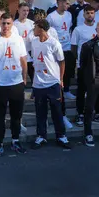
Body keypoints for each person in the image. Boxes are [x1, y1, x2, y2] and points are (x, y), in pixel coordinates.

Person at [0, 13, 28, 158]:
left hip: (16, 83)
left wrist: (24, 78)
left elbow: (23, 60)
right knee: (0, 116)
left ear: (12, 24)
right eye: (3, 23)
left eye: (8, 23)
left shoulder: (18, 39)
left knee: (16, 115)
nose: (6, 26)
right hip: (0, 84)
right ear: (0, 23)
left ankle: (16, 140)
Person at [30, 19, 70, 150]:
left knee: (57, 111)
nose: (33, 29)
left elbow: (62, 61)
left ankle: (61, 136)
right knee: (40, 112)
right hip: (38, 84)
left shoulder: (54, 43)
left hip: (53, 83)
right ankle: (41, 136)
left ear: (41, 28)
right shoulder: (34, 42)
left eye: (35, 27)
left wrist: (61, 79)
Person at [71, 5, 98, 125]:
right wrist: (80, 61)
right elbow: (73, 47)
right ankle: (80, 113)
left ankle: (95, 112)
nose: (90, 15)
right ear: (84, 15)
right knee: (81, 90)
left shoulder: (98, 29)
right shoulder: (78, 29)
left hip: (97, 65)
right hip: (83, 66)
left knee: (95, 90)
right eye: (88, 13)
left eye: (92, 13)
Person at [46, 0, 75, 99]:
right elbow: (47, 31)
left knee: (67, 70)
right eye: (63, 3)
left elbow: (69, 28)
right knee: (56, 70)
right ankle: (57, 91)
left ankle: (66, 90)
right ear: (58, 3)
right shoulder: (51, 16)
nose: (65, 5)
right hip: (56, 48)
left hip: (67, 47)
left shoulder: (69, 15)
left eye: (67, 3)